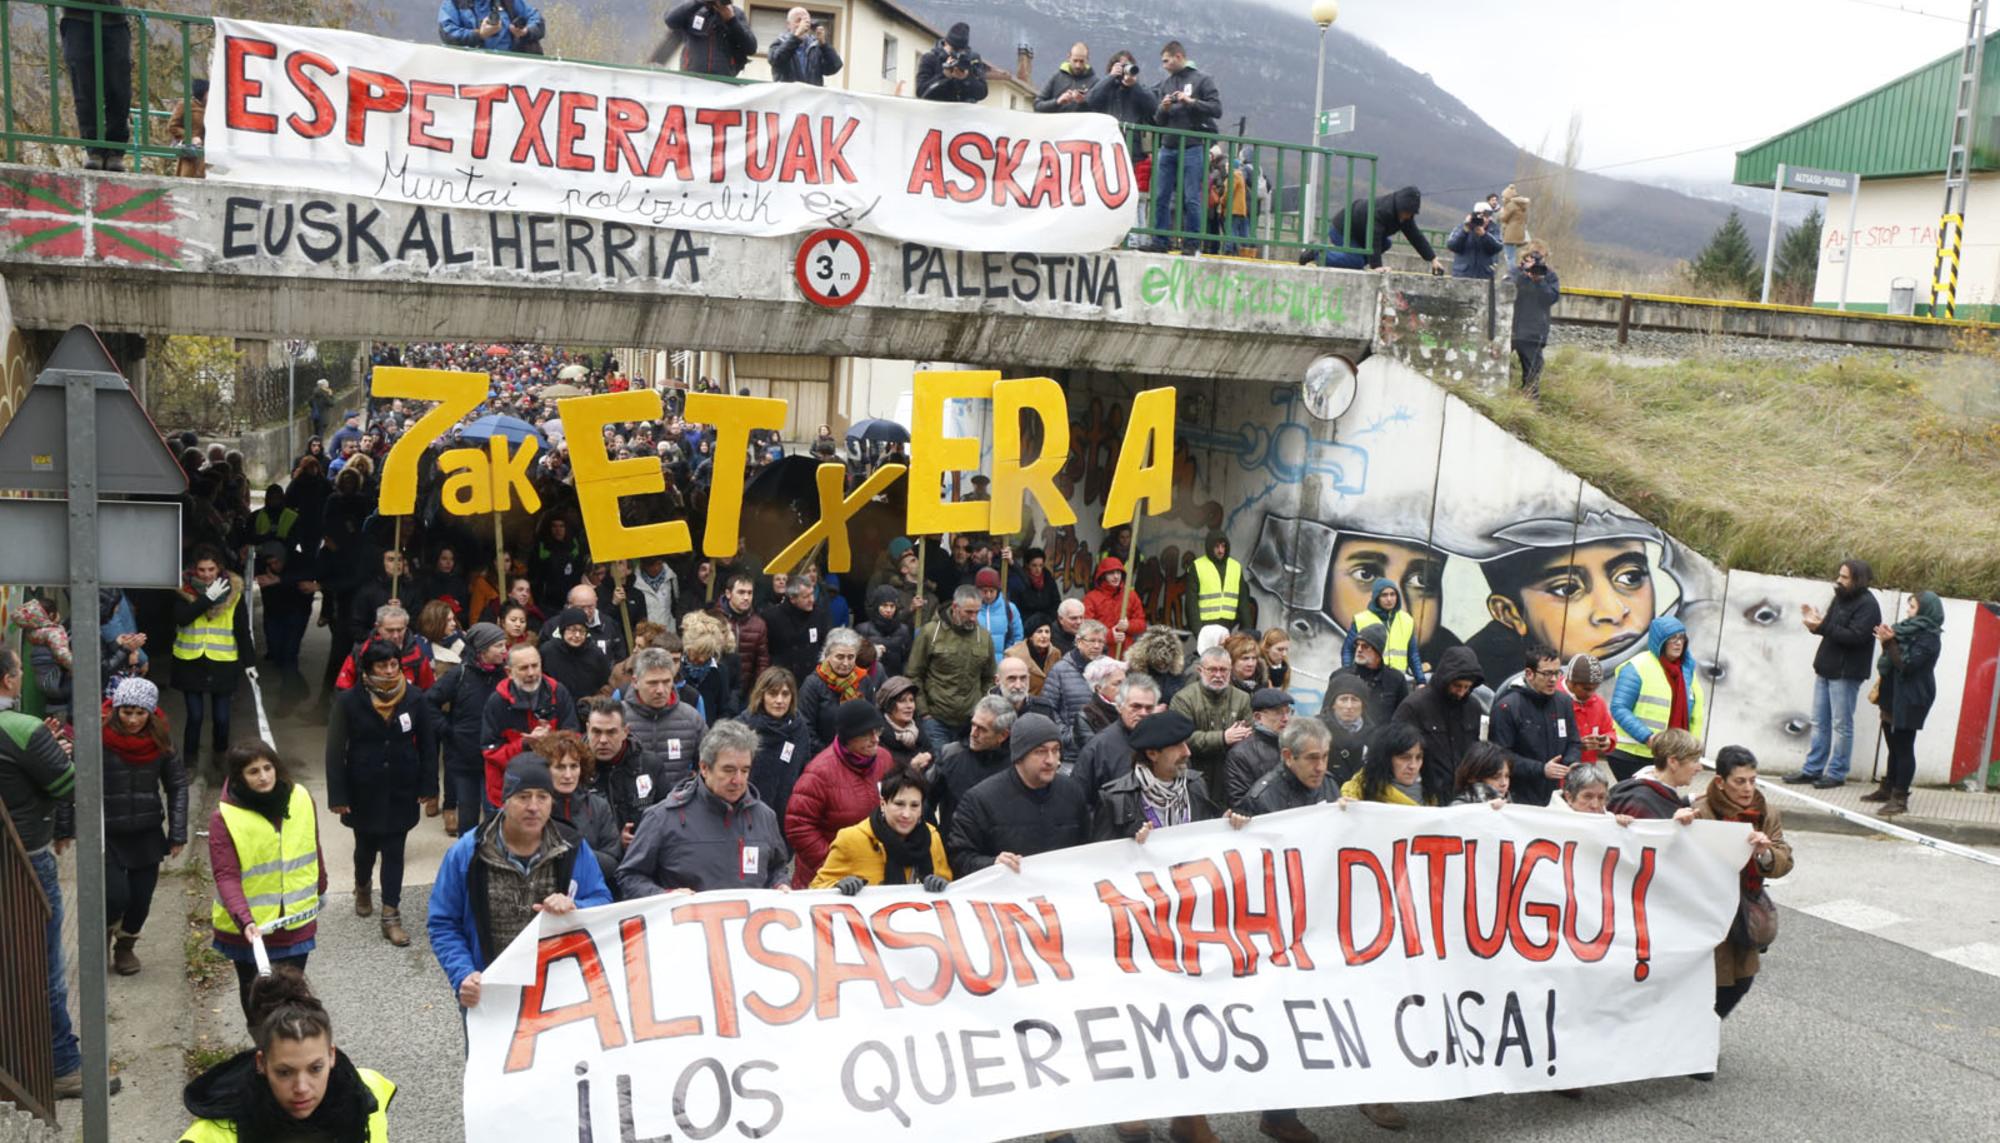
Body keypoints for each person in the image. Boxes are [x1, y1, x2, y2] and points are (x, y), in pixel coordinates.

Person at [429, 756, 613, 1016]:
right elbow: (443, 922)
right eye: (523, 797)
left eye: (542, 797)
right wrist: (464, 974)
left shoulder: (573, 847)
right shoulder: (466, 854)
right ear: (503, 801)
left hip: (559, 991)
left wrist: (575, 905)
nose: (533, 807)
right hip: (490, 993)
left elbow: (602, 902)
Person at [1, 649, 90, 1098]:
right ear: (9, 681)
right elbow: (66, 783)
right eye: (17, 671)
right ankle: (63, 1066)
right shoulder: (22, 728)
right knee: (44, 966)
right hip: (26, 861)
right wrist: (54, 752)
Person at [178, 968, 396, 1142]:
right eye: (284, 1072)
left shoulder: (368, 1091)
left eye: (315, 1069)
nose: (301, 1088)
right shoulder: (216, 1135)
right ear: (262, 1063)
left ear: (332, 1056)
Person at [326, 642, 439, 946]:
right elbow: (335, 750)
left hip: (402, 786)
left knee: (394, 850)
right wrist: (338, 794)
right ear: (368, 669)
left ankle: (391, 913)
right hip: (363, 787)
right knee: (365, 848)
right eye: (382, 666)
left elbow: (429, 744)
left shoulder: (414, 698)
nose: (390, 671)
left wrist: (429, 785)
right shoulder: (349, 702)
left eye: (394, 665)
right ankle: (362, 885)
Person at [208, 742, 325, 1019]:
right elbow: (226, 875)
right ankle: (262, 1047)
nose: (263, 777)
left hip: (296, 920)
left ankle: (288, 1050)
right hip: (250, 930)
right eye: (253, 771)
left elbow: (312, 844)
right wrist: (244, 919)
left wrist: (321, 886)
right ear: (239, 777)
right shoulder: (224, 818)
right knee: (256, 997)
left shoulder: (301, 798)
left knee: (292, 994)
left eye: (268, 768)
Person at [617, 721, 790, 895]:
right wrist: (666, 897)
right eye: (728, 770)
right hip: (685, 920)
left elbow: (777, 869)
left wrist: (780, 885)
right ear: (704, 768)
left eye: (744, 771)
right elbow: (629, 877)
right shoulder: (663, 817)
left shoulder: (765, 817)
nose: (738, 780)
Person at [1697, 745, 1792, 1043]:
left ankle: (1703, 1035)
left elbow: (1784, 859)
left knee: (1742, 979)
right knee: (1707, 981)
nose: (1748, 788)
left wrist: (1764, 855)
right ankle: (1695, 1043)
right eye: (1740, 781)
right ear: (1721, 782)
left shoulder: (1766, 813)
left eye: (1753, 780)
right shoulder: (1700, 811)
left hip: (1744, 908)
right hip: (1706, 909)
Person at [101, 677, 189, 976]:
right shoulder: (98, 738)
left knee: (140, 900)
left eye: (140, 713)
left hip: (147, 831)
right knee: (115, 896)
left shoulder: (162, 741)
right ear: (116, 709)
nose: (133, 720)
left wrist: (177, 832)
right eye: (126, 712)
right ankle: (101, 933)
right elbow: (76, 783)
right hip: (108, 833)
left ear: (151, 714)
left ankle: (124, 947)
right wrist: (67, 827)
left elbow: (177, 785)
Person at [946, 714, 1088, 874]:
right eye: (1040, 752)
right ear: (1019, 756)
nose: (1051, 760)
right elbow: (959, 857)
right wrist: (992, 864)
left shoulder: (1072, 793)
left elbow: (1087, 849)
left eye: (1055, 750)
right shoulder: (980, 800)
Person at [1786, 560, 1882, 789]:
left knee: (1841, 725)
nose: (1839, 580)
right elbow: (1830, 628)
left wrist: (1822, 626)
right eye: (1839, 575)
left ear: (1858, 579)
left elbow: (1856, 637)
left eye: (1845, 577)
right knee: (1819, 721)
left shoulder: (1868, 605)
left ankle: (1837, 773)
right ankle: (1812, 769)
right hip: (1826, 667)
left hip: (1846, 672)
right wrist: (1816, 623)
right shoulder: (1840, 597)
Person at [785, 699, 897, 887]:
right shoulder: (819, 773)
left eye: (877, 731)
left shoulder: (885, 759)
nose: (876, 739)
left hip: (874, 873)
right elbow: (797, 825)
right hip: (829, 882)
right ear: (848, 737)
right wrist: (834, 864)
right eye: (867, 734)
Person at [814, 767, 953, 893]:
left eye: (914, 805)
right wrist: (837, 886)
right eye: (899, 804)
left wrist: (941, 884)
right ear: (883, 804)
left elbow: (948, 885)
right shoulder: (851, 839)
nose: (906, 814)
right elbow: (816, 889)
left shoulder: (932, 837)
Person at [173, 546, 252, 768]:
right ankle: (189, 762)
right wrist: (207, 599)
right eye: (201, 570)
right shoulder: (183, 590)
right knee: (195, 716)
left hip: (222, 662)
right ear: (193, 570)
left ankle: (220, 757)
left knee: (222, 718)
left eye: (211, 569)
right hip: (190, 660)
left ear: (219, 569)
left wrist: (250, 663)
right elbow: (182, 618)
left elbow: (242, 630)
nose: (206, 574)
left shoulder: (233, 593)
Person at [429, 622, 509, 835]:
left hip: (496, 757)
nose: (504, 650)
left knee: (495, 814)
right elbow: (429, 702)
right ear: (482, 650)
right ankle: (466, 862)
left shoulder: (506, 676)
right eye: (499, 646)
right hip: (465, 757)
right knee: (468, 816)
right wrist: (447, 730)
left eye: (505, 645)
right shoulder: (460, 674)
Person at [479, 643, 577, 815]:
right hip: (509, 790)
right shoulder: (497, 702)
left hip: (552, 789)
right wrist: (524, 744)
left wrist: (550, 741)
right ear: (509, 672)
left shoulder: (558, 693)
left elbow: (574, 739)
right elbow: (490, 752)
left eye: (535, 666)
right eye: (524, 668)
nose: (531, 673)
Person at [1870, 592, 1943, 817]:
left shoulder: (1929, 637)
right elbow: (1892, 658)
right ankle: (1888, 787)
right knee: (1892, 744)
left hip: (1912, 698)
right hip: (1893, 694)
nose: (1908, 611)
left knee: (1903, 746)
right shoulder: (1905, 629)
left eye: (1912, 607)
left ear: (1925, 610)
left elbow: (1907, 665)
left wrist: (1890, 642)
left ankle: (1900, 798)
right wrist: (1887, 641)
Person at [1608, 616, 1704, 781]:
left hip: (1669, 756)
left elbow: (1695, 715)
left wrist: (1692, 752)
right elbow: (1619, 707)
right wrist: (1648, 737)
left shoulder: (1687, 671)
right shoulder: (1637, 667)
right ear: (1660, 640)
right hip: (1632, 754)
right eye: (1672, 638)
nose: (1678, 643)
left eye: (1681, 638)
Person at [1147, 41, 1221, 254]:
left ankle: (1191, 243)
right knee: (1161, 195)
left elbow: (1216, 109)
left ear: (1178, 57)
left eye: (1166, 60)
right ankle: (1160, 241)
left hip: (1192, 146)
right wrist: (1163, 108)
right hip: (1168, 146)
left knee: (1191, 197)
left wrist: (1191, 101)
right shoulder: (1165, 84)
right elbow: (1158, 120)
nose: (1164, 65)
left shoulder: (1203, 80)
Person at [906, 586, 997, 755]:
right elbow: (913, 674)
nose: (974, 618)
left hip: (970, 722)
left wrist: (982, 706)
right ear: (955, 607)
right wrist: (924, 712)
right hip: (936, 719)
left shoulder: (984, 637)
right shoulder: (930, 633)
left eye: (977, 612)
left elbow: (990, 678)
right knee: (940, 769)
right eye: (969, 612)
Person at [1488, 644, 1581, 806]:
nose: (1553, 679)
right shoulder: (1507, 707)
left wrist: (1571, 763)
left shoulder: (1564, 702)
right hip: (1519, 796)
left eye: (1557, 673)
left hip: (1556, 796)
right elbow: (1501, 756)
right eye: (1546, 674)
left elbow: (1573, 741)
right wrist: (1541, 769)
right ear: (1529, 674)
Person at [1392, 646, 1484, 803]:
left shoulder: (1473, 707)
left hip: (1464, 799)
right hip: (1425, 798)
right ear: (1445, 679)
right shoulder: (1414, 707)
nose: (1461, 692)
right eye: (1457, 686)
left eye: (1467, 687)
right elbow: (1392, 751)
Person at [536, 730, 623, 887]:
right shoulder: (534, 809)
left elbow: (612, 862)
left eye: (574, 766)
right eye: (560, 767)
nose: (568, 775)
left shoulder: (599, 806)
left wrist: (573, 853)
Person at [580, 696, 670, 845]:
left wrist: (644, 838)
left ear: (625, 731)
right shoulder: (574, 768)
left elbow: (666, 817)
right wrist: (615, 843)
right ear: (587, 729)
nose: (603, 740)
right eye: (596, 732)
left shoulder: (650, 765)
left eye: (611, 732)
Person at [1171, 645, 1253, 798]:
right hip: (1193, 775)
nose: (1218, 675)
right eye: (1212, 670)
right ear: (1200, 670)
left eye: (1223, 670)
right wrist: (1223, 738)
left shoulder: (1243, 698)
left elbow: (1248, 735)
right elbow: (1182, 739)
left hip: (1230, 776)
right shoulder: (1183, 699)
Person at [59, 2, 132, 170]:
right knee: (85, 90)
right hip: (77, 18)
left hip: (114, 19)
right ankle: (94, 150)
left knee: (119, 91)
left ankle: (115, 151)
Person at [1314, 185, 1444, 274]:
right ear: (1400, 208)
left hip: (1361, 234)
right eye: (1408, 213)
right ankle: (1316, 253)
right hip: (1342, 230)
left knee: (1386, 243)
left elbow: (1416, 236)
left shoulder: (1405, 217)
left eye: (1412, 214)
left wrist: (1432, 259)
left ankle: (1353, 263)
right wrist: (1377, 267)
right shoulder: (1383, 211)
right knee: (1356, 261)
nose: (1409, 217)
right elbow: (1374, 238)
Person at [621, 646, 707, 780]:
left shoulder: (691, 718)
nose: (660, 690)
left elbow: (709, 765)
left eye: (666, 682)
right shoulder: (618, 717)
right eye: (653, 683)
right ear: (635, 682)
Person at [798, 628, 874, 755]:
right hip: (824, 756)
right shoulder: (812, 684)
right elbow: (806, 729)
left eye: (851, 657)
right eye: (840, 657)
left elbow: (872, 719)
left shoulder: (863, 680)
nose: (846, 663)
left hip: (859, 755)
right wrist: (833, 755)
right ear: (827, 656)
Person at [1607, 727, 1703, 822]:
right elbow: (1652, 833)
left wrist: (1691, 798)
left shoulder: (1643, 790)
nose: (1700, 768)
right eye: (1694, 761)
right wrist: (1673, 823)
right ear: (1673, 762)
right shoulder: (1641, 802)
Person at [1245, 716, 1338, 815]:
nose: (1321, 767)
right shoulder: (1262, 799)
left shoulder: (1329, 784)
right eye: (1312, 758)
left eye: (1325, 756)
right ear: (1288, 756)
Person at [1341, 578, 1426, 682]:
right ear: (1377, 598)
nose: (1389, 599)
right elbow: (1348, 650)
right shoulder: (1361, 619)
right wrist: (1348, 676)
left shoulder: (1406, 620)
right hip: (1368, 679)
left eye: (1392, 594)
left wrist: (1421, 681)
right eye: (1384, 595)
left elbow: (1413, 654)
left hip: (1397, 681)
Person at [1340, 720, 1435, 808]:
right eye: (1405, 758)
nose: (1413, 766)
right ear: (1386, 759)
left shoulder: (1431, 793)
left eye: (1418, 757)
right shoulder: (1357, 794)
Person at [1224, 687, 1291, 810]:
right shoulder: (1241, 754)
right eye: (1278, 712)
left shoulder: (1295, 745)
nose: (1286, 718)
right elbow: (1239, 804)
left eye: (1288, 711)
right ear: (1258, 717)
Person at [1509, 248, 1562, 398]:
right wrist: (1524, 276)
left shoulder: (1549, 276)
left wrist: (1540, 281)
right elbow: (1505, 291)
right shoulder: (1515, 272)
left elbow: (1551, 298)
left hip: (1533, 332)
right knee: (1498, 366)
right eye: (1528, 259)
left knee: (1532, 377)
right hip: (1511, 329)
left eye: (1536, 261)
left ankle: (1528, 407)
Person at [538, 607, 612, 711]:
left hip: (586, 710)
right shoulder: (548, 651)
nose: (577, 635)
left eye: (581, 631)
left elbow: (604, 684)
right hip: (554, 709)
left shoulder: (595, 654)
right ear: (563, 630)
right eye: (572, 630)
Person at [714, 573, 772, 706]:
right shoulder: (714, 619)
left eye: (750, 593)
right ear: (728, 594)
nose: (746, 597)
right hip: (717, 689)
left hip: (745, 694)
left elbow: (762, 662)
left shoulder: (758, 624)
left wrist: (756, 691)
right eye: (741, 592)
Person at [761, 578, 831, 683]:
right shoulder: (772, 617)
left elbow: (825, 645)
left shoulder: (819, 615)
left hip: (812, 679)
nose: (811, 599)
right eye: (805, 597)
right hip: (783, 679)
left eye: (812, 594)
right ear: (792, 599)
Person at [664, 0, 757, 77]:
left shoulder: (736, 14)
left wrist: (731, 21)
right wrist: (698, 2)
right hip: (691, 77)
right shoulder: (693, 9)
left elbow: (751, 48)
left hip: (723, 80)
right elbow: (670, 21)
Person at [1184, 531, 1250, 631]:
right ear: (1210, 547)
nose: (1221, 550)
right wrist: (1199, 633)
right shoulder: (1197, 566)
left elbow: (1243, 602)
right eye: (1217, 547)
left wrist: (1247, 630)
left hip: (1228, 626)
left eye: (1223, 546)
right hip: (1205, 627)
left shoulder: (1235, 567)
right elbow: (1191, 604)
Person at [1082, 557, 1147, 655]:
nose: (1116, 576)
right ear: (1103, 575)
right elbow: (1085, 628)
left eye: (1118, 572)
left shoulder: (1131, 595)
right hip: (1099, 653)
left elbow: (1142, 624)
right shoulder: (1090, 598)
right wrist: (1108, 636)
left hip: (1126, 653)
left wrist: (1128, 626)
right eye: (1111, 573)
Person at [767, 6, 843, 85]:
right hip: (788, 95)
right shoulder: (779, 42)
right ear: (788, 24)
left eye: (806, 21)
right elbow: (775, 60)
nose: (802, 25)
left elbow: (835, 66)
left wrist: (824, 44)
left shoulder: (814, 46)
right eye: (798, 20)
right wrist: (796, 37)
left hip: (811, 96)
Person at [437, 0, 546, 54]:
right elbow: (447, 34)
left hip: (513, 72)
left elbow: (537, 20)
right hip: (472, 70)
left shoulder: (508, 2)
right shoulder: (454, 3)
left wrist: (525, 32)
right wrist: (480, 34)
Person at [916, 22, 989, 103]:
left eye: (960, 50)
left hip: (965, 113)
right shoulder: (930, 58)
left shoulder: (972, 60)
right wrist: (944, 76)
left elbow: (982, 93)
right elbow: (921, 92)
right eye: (953, 50)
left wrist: (966, 78)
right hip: (937, 112)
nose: (956, 54)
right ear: (946, 43)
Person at [1319, 673, 1371, 786]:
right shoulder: (1317, 730)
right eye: (1343, 699)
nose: (1349, 706)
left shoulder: (1374, 735)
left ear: (1363, 705)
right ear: (1333, 704)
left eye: (1355, 700)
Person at [1564, 653, 1616, 766]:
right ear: (1571, 682)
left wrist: (1607, 741)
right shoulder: (1554, 700)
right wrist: (1576, 745)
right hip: (1559, 774)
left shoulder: (1598, 703)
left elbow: (1610, 731)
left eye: (1595, 689)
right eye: (1586, 689)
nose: (1592, 694)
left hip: (1586, 773)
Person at [875, 676, 933, 772]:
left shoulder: (919, 730)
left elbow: (931, 753)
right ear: (888, 705)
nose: (909, 706)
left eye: (911, 700)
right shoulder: (878, 737)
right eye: (902, 701)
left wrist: (929, 758)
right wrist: (911, 768)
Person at [857, 585, 914, 679]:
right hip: (870, 682)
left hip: (895, 682)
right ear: (876, 606)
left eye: (892, 606)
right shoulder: (863, 630)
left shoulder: (904, 631)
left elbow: (908, 660)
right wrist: (872, 651)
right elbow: (857, 661)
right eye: (884, 605)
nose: (889, 610)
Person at [973, 569, 1024, 665]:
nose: (988, 595)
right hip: (976, 665)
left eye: (992, 591)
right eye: (984, 591)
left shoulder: (1009, 609)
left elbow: (1018, 637)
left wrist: (1009, 657)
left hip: (1002, 665)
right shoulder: (971, 608)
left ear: (998, 590)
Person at [1008, 549, 1064, 632]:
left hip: (1047, 624)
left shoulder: (1048, 579)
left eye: (1041, 565)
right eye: (1034, 565)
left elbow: (1056, 602)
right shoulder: (1019, 581)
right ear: (1027, 565)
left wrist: (1048, 621)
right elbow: (1016, 608)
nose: (1038, 569)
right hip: (1026, 625)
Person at [1006, 616, 1062, 697]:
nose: (1044, 636)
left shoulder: (1056, 653)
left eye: (1047, 632)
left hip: (1049, 703)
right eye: (1039, 632)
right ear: (1030, 636)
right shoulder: (1013, 654)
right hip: (1023, 703)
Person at [1447, 202, 1504, 279]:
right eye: (1481, 216)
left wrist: (1484, 235)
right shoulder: (1462, 227)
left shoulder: (1493, 229)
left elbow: (1498, 247)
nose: (1485, 219)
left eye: (1487, 216)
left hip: (1484, 275)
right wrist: (1465, 231)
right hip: (1462, 275)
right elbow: (1452, 245)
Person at [1036, 41, 1096, 112]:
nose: (1078, 65)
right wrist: (1057, 102)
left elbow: (1099, 112)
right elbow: (1037, 105)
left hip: (1082, 123)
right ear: (1069, 58)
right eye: (1075, 60)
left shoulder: (1095, 82)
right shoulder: (1057, 77)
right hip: (1057, 122)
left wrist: (1083, 103)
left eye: (1081, 61)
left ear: (1087, 60)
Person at [1449, 742, 1513, 806]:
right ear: (1473, 778)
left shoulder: (1512, 808)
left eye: (1507, 776)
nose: (1504, 783)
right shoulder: (1458, 808)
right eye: (1495, 777)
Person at [1498, 183, 1531, 269]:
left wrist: (1501, 213)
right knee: (1514, 255)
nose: (1502, 199)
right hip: (1519, 233)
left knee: (1509, 256)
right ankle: (1515, 271)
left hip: (1510, 234)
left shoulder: (1511, 205)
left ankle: (1511, 273)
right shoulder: (1522, 206)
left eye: (1503, 197)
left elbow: (1503, 218)